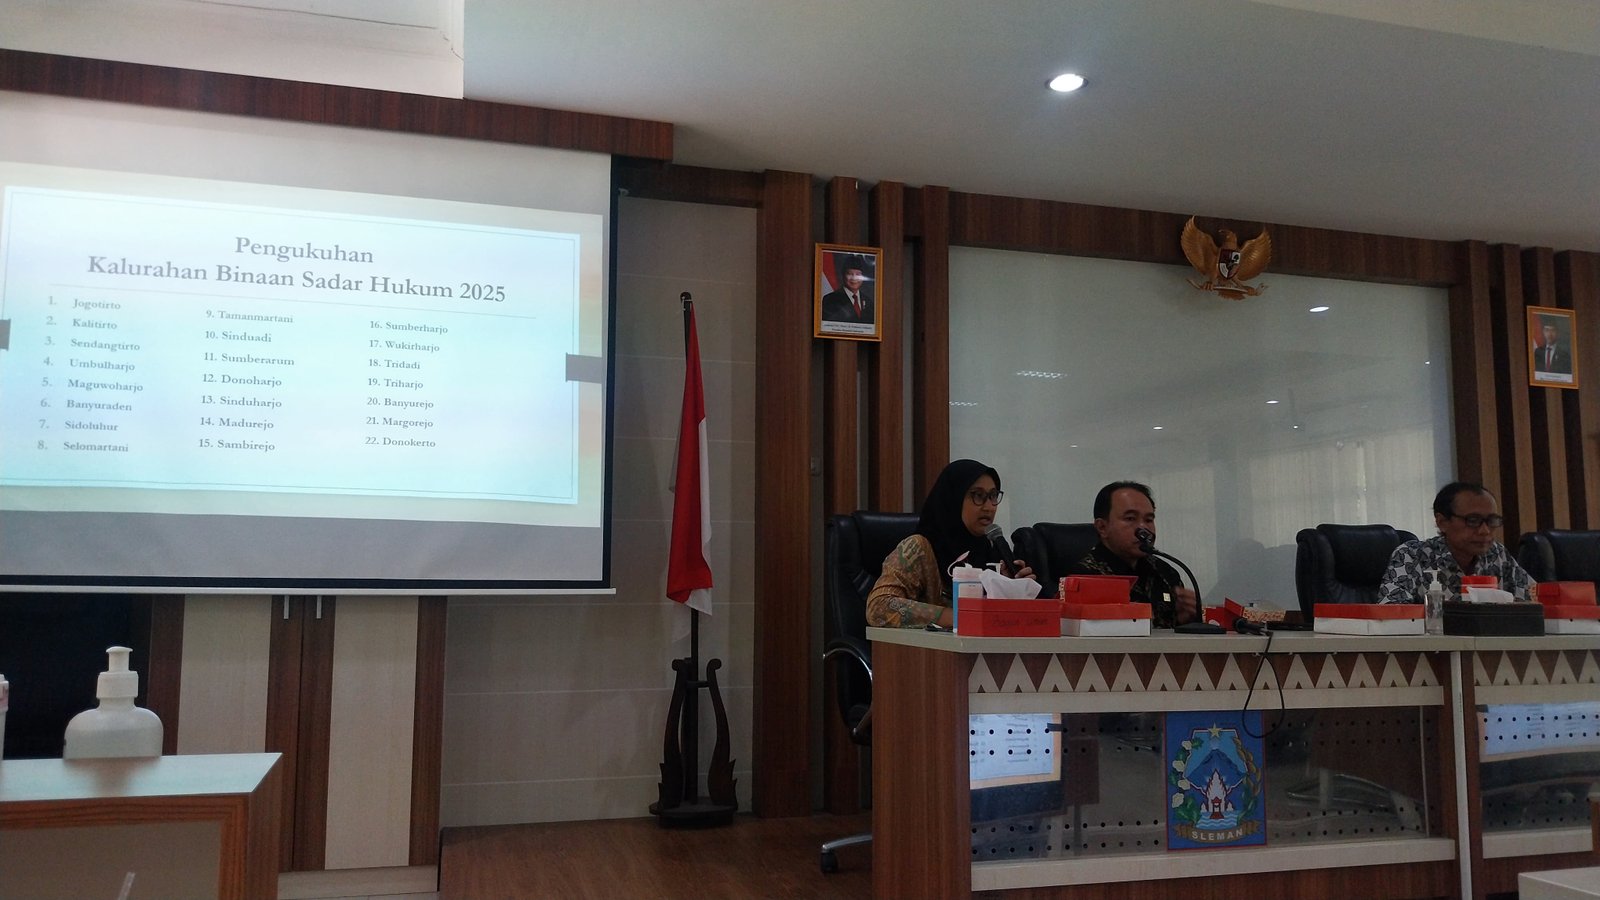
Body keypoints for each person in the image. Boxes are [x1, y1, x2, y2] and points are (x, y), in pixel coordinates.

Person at [866, 459, 1033, 627]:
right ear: (953, 498)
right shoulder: (918, 548)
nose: (989, 507)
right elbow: (879, 608)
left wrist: (1010, 591)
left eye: (993, 496)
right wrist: (958, 617)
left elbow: (997, 622)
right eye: (978, 495)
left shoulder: (992, 549)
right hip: (927, 644)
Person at [1067, 481, 1198, 628]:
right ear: (1102, 527)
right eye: (1130, 518)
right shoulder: (1085, 577)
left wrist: (1184, 620)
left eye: (1149, 520)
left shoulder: (1165, 572)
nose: (1143, 528)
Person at [1379, 481, 1536, 603]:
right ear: (1442, 522)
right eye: (1473, 520)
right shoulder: (1411, 556)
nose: (1485, 530)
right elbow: (1391, 614)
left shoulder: (1497, 554)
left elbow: (1536, 601)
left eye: (1491, 521)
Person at [821, 256, 875, 326]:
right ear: (843, 275)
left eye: (858, 274)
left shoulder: (869, 302)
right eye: (850, 274)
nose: (854, 278)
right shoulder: (830, 299)